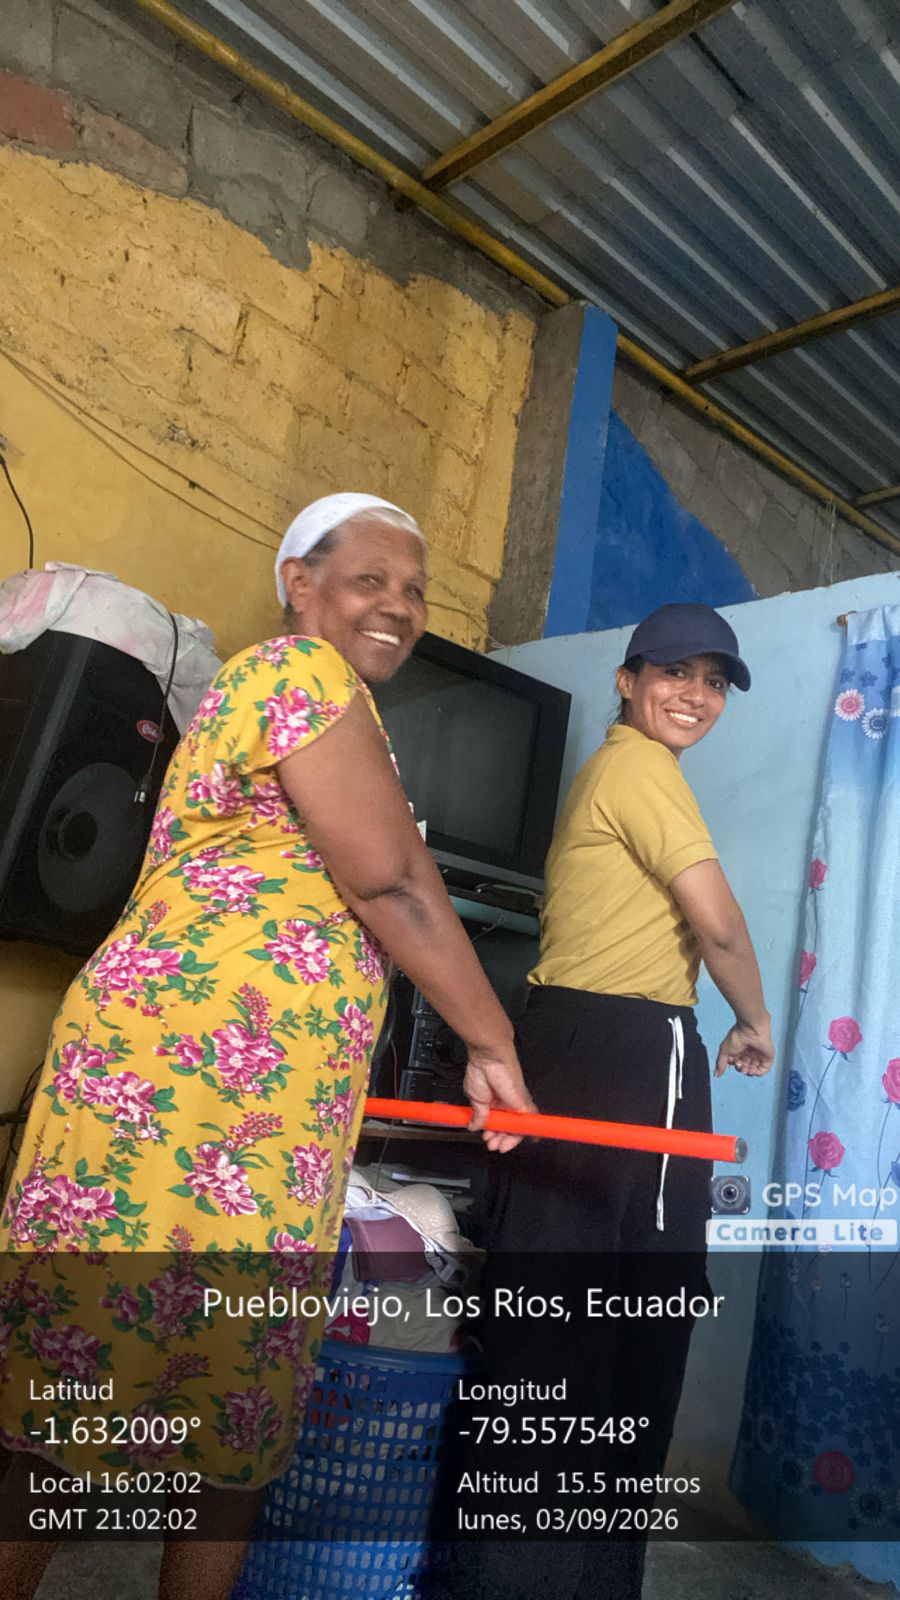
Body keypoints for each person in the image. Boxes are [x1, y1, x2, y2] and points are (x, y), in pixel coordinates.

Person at [0, 492, 534, 1600]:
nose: (399, 605)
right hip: (173, 1095)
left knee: (237, 1399)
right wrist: (493, 1042)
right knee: (83, 1389)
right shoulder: (297, 674)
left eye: (415, 589)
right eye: (370, 577)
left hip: (265, 1117)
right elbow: (390, 881)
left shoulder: (332, 708)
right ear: (299, 581)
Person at [426, 602, 774, 1600]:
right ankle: (567, 1578)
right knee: (633, 1318)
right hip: (630, 1050)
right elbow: (718, 923)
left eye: (714, 681)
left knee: (546, 1302)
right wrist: (753, 1021)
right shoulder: (643, 769)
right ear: (627, 679)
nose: (696, 694)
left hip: (569, 1037)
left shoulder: (609, 772)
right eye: (675, 672)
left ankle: (492, 1572)